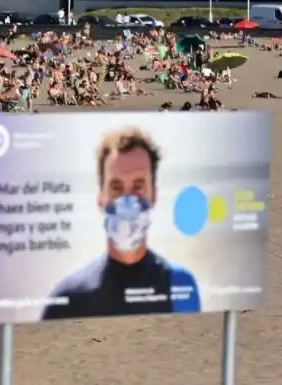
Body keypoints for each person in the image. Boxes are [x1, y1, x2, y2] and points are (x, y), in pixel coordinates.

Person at [40, 128, 200, 320]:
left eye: (138, 187)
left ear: (154, 195)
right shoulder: (67, 300)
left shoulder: (180, 286)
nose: (127, 202)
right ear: (100, 198)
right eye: (116, 188)